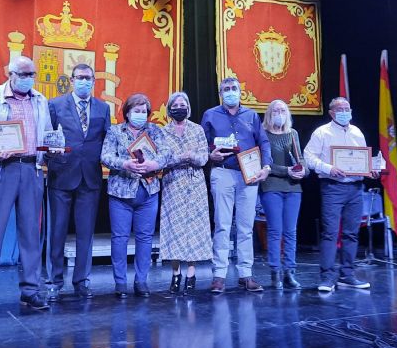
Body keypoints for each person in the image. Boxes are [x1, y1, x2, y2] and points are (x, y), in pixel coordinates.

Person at [0, 56, 53, 314]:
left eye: (32, 74)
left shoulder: (40, 100)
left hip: (31, 169)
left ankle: (31, 291)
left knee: (31, 233)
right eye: (24, 74)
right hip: (1, 170)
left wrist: (52, 148)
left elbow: (46, 136)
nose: (29, 78)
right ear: (11, 74)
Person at [201, 77, 272, 293]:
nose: (230, 92)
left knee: (245, 226)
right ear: (220, 93)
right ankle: (219, 275)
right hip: (222, 173)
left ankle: (245, 274)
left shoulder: (251, 116)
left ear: (241, 91)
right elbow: (201, 145)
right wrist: (209, 154)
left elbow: (264, 142)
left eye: (234, 88)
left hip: (248, 176)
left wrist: (266, 167)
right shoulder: (210, 115)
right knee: (222, 224)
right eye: (226, 89)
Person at [46, 63, 110, 300]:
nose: (84, 82)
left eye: (88, 78)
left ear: (94, 82)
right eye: (79, 78)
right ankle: (54, 279)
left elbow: (106, 139)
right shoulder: (54, 105)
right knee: (57, 231)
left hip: (90, 177)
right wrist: (51, 153)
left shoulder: (103, 109)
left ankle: (81, 280)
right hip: (61, 174)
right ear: (71, 81)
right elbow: (48, 135)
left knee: (86, 233)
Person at [303, 97, 379, 292]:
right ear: (331, 112)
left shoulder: (357, 132)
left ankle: (347, 275)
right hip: (332, 187)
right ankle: (327, 277)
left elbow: (363, 159)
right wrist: (328, 168)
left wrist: (370, 169)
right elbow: (308, 156)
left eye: (347, 108)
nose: (345, 111)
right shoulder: (322, 133)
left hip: (355, 189)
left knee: (351, 233)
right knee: (330, 233)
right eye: (340, 109)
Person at [100, 93, 170, 298]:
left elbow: (166, 153)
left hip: (148, 192)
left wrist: (154, 164)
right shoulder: (115, 131)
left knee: (145, 238)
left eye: (143, 112)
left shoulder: (155, 131)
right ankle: (120, 283)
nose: (140, 115)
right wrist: (124, 163)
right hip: (121, 193)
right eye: (136, 111)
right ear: (128, 112)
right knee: (120, 238)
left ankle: (141, 281)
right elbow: (105, 155)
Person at [159, 92, 212, 294]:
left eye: (183, 104)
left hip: (195, 185)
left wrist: (193, 157)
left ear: (188, 108)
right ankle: (175, 273)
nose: (179, 107)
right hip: (173, 185)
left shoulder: (197, 130)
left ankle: (191, 274)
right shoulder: (163, 132)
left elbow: (203, 158)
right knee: (174, 229)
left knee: (194, 229)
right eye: (176, 105)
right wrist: (184, 157)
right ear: (170, 108)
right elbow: (165, 159)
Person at [259, 100, 308, 290]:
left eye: (282, 110)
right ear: (269, 114)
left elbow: (300, 157)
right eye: (276, 111)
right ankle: (275, 273)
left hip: (293, 188)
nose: (279, 113)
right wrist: (286, 170)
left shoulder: (292, 134)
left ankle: (290, 272)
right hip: (272, 186)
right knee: (275, 230)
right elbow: (266, 163)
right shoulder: (263, 134)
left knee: (290, 231)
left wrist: (303, 170)